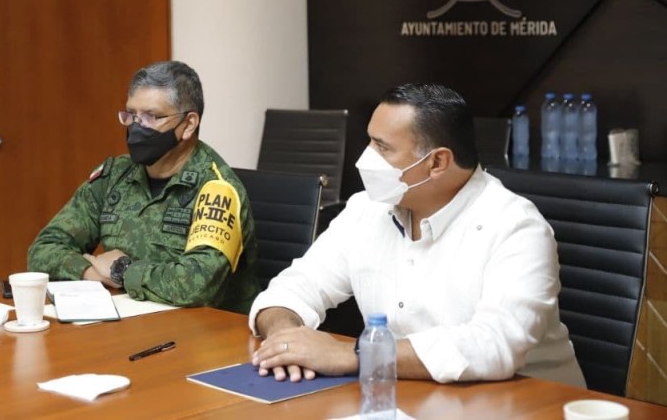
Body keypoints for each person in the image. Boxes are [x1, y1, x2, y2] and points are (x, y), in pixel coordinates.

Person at [250, 83, 585, 387]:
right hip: (411, 396)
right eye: (370, 141)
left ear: (437, 162)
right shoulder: (366, 209)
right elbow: (296, 286)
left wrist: (352, 355)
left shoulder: (516, 227)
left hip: (527, 403)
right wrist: (286, 339)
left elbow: (494, 345)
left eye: (382, 147)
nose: (365, 158)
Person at [27, 60, 259, 314]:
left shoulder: (217, 189)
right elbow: (43, 250)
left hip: (206, 331)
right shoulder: (114, 176)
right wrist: (90, 273)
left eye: (151, 117)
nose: (137, 127)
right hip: (127, 321)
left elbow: (197, 284)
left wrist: (121, 270)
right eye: (131, 115)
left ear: (189, 124)